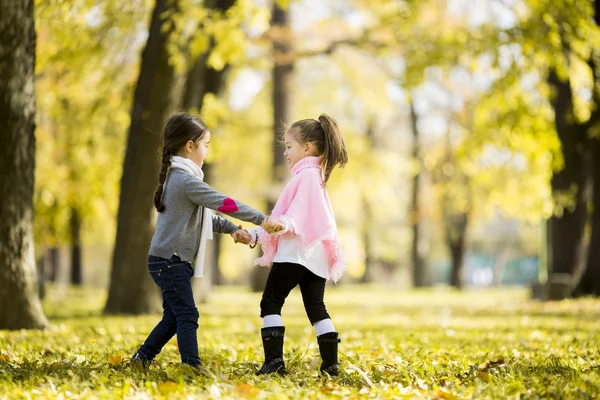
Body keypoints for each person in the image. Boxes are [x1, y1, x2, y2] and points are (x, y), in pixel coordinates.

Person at [130, 112, 264, 369]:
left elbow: (205, 219)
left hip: (167, 260)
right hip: (170, 261)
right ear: (190, 146)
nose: (207, 152)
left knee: (173, 317)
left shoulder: (181, 177)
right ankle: (191, 366)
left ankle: (141, 359)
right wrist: (260, 218)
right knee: (188, 314)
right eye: (206, 145)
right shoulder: (184, 180)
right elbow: (224, 203)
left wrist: (234, 229)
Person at [248, 114, 348, 376]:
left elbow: (295, 216)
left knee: (270, 302)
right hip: (316, 258)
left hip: (295, 253)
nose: (285, 152)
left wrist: (284, 226)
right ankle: (331, 364)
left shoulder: (306, 176)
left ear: (307, 148)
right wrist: (254, 234)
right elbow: (296, 216)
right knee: (316, 308)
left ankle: (274, 362)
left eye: (289, 146)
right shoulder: (318, 176)